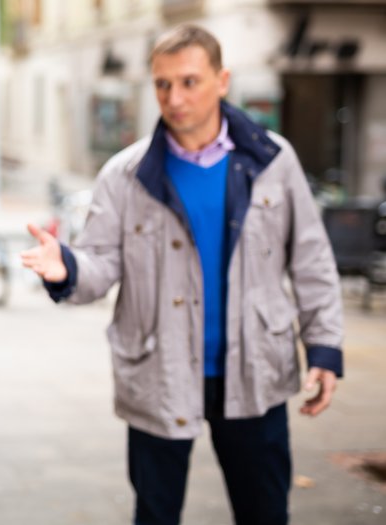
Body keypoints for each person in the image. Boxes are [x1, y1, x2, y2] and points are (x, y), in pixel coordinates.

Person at [21, 24, 343, 525]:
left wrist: (324, 348)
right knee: (155, 513)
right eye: (163, 84)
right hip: (159, 370)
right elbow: (101, 263)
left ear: (222, 80)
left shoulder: (273, 161)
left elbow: (311, 260)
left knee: (265, 512)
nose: (174, 97)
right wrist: (68, 266)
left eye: (189, 81)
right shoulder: (125, 175)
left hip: (256, 368)